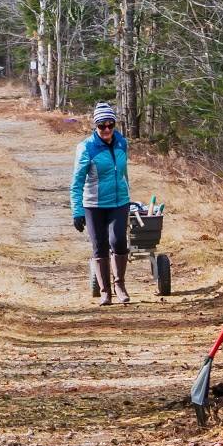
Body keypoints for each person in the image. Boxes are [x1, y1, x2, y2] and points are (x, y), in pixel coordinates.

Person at [71, 102, 132, 305]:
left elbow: (124, 173)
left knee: (118, 241)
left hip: (119, 201)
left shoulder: (122, 143)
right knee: (100, 246)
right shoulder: (86, 148)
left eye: (110, 124)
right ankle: (105, 291)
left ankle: (120, 284)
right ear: (95, 126)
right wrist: (77, 211)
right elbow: (77, 181)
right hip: (94, 204)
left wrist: (127, 191)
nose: (106, 129)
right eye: (101, 125)